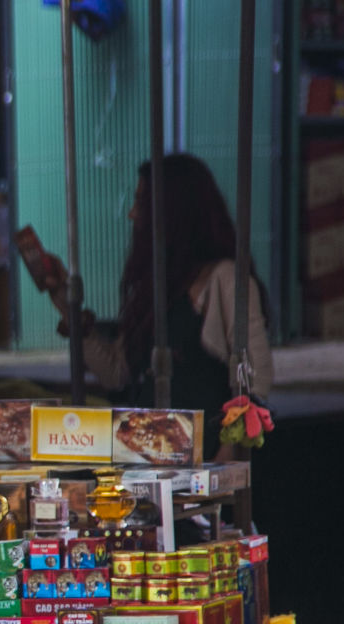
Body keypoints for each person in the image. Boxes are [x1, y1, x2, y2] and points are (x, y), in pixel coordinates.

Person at [71, 153, 271, 450]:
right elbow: (116, 373)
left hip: (203, 459)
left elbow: (256, 380)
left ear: (171, 213)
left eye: (141, 203)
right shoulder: (157, 286)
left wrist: (227, 459)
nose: (132, 214)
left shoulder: (225, 280)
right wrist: (65, 304)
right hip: (146, 454)